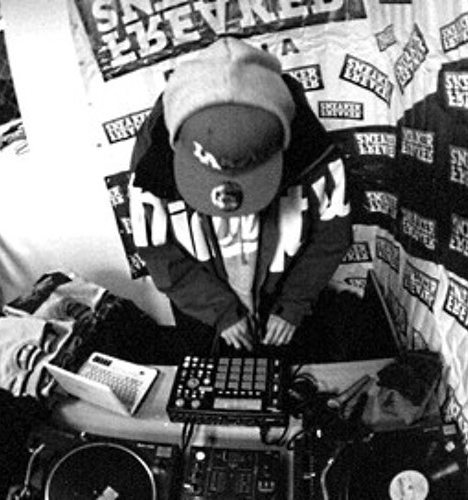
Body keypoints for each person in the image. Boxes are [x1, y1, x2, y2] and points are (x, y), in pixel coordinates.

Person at [129, 37, 352, 362]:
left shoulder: (315, 155)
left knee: (293, 381)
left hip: (284, 309)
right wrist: (217, 310)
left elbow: (331, 235)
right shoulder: (153, 165)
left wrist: (293, 304)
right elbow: (157, 248)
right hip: (202, 313)